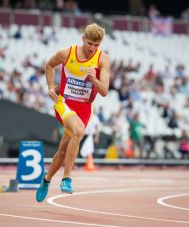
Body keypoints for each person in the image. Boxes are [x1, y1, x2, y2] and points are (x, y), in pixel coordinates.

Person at [36, 23, 110, 202]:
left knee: (63, 151)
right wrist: (49, 86)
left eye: (96, 45)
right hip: (65, 103)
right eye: (90, 43)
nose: (92, 48)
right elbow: (49, 65)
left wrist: (93, 79)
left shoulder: (102, 59)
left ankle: (46, 179)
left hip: (85, 107)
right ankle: (67, 178)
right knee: (78, 131)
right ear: (83, 39)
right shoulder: (66, 53)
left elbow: (104, 91)